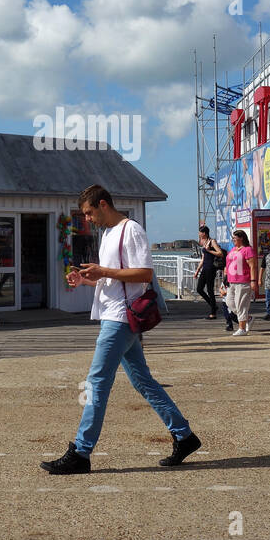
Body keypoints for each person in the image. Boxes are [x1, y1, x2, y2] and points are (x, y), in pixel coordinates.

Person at [40, 184, 201, 475]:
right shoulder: (108, 234)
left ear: (103, 204)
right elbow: (115, 280)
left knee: (97, 382)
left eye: (89, 213)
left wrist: (104, 272)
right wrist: (88, 279)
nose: (87, 219)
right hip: (114, 315)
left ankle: (81, 452)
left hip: (121, 319)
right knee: (143, 382)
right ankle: (184, 436)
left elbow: (144, 274)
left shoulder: (132, 230)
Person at [224, 229, 259, 336]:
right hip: (231, 281)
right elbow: (227, 265)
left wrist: (253, 281)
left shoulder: (248, 250)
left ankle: (242, 328)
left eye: (235, 238)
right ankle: (248, 318)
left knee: (241, 305)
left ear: (241, 238)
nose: (233, 240)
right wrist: (224, 280)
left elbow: (253, 266)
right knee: (229, 303)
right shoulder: (233, 250)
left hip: (243, 281)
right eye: (233, 238)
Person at [195, 225, 225, 319]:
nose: (199, 234)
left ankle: (213, 313)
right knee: (199, 289)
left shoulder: (212, 241)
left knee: (210, 290)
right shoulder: (204, 242)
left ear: (204, 233)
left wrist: (209, 250)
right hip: (205, 268)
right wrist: (197, 270)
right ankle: (213, 306)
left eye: (200, 232)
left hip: (211, 268)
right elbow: (203, 258)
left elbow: (220, 253)